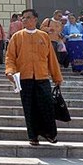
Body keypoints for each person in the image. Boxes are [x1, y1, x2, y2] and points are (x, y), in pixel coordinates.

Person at [5, 8, 63, 146]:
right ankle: (33, 136)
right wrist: (10, 71)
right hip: (24, 78)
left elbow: (52, 59)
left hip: (42, 77)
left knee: (47, 106)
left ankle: (50, 134)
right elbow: (10, 57)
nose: (24, 20)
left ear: (35, 19)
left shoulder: (43, 36)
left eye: (27, 17)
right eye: (23, 18)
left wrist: (57, 77)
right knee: (29, 108)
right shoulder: (17, 37)